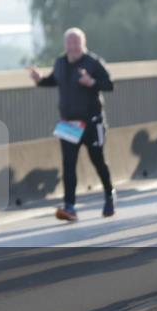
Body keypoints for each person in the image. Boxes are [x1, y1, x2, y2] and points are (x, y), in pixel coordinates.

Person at [28, 28, 115, 221]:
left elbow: (110, 84)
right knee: (68, 165)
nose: (73, 47)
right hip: (68, 123)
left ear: (83, 43)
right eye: (69, 43)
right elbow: (53, 80)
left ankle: (109, 194)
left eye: (76, 43)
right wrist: (39, 80)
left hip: (92, 122)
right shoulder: (60, 62)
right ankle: (69, 206)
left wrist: (91, 82)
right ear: (65, 45)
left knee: (98, 160)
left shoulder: (93, 62)